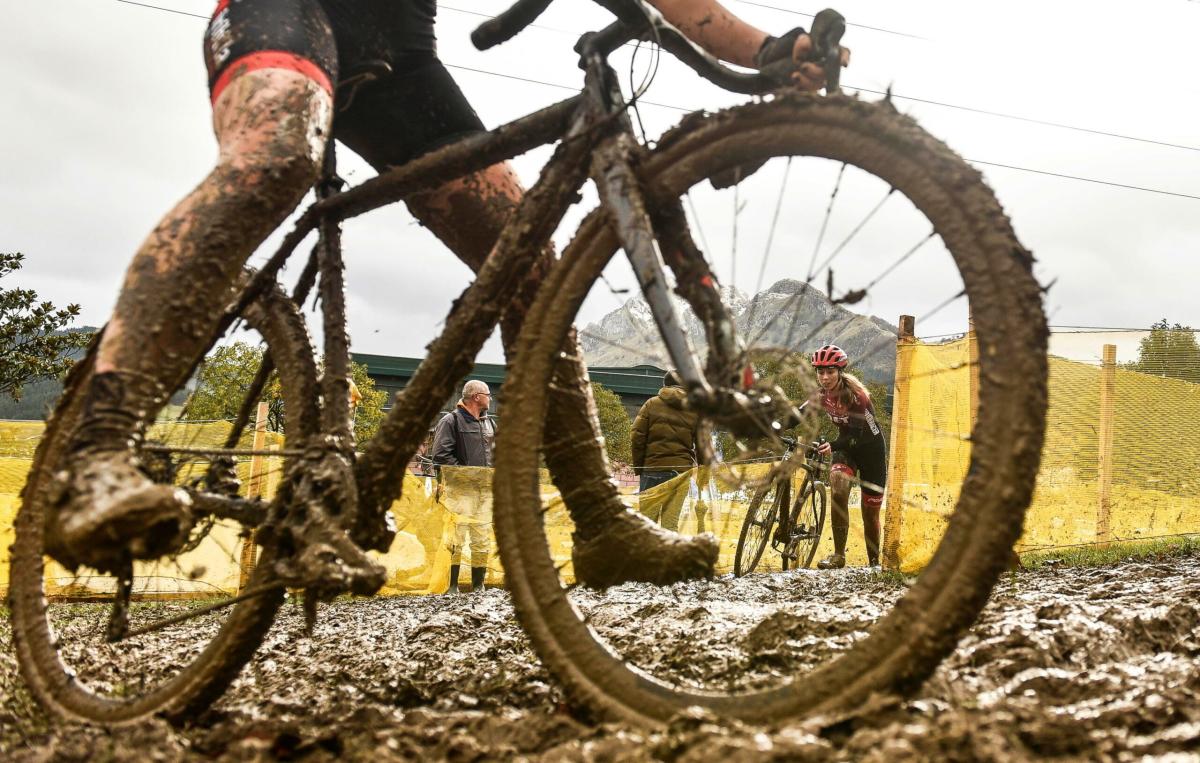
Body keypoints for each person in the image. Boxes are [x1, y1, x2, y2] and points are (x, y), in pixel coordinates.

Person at [47, 0, 847, 579]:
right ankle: (97, 450)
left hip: (399, 62)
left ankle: (599, 523)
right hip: (284, 13)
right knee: (277, 156)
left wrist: (772, 49)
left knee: (529, 265)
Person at [810, 344, 887, 569]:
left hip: (871, 451)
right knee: (838, 483)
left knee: (870, 513)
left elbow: (855, 436)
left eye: (830, 372)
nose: (825, 377)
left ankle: (873, 564)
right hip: (847, 448)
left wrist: (831, 446)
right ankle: (838, 556)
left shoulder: (856, 396)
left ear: (839, 372)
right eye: (820, 372)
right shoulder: (822, 395)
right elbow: (798, 414)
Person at [430, 380, 496, 592]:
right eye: (487, 394)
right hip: (459, 493)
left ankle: (479, 586)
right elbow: (440, 456)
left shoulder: (489, 424)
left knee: (481, 539)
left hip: (485, 494)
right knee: (456, 537)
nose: (490, 397)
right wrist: (467, 477)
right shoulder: (451, 421)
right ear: (476, 396)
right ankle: (452, 586)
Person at [631, 370, 701, 531]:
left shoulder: (651, 404)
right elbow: (703, 444)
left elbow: (637, 436)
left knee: (647, 524)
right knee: (670, 524)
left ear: (665, 385)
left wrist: (640, 467)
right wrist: (703, 471)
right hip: (680, 472)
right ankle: (668, 555)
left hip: (652, 470)